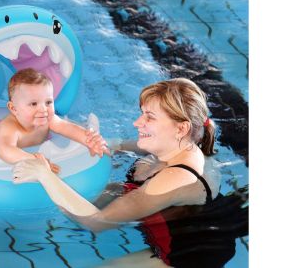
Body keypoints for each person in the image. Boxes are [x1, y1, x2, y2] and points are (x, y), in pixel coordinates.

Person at [13, 78, 248, 267]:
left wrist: (46, 175)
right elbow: (131, 144)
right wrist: (109, 143)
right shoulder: (180, 143)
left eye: (149, 117)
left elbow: (96, 223)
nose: (137, 123)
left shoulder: (176, 178)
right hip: (176, 217)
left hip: (188, 255)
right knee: (67, 204)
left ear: (181, 128)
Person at [0, 68, 110, 173]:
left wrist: (90, 141)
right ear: (13, 108)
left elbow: (67, 127)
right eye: (33, 103)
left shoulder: (49, 119)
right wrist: (34, 160)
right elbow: (5, 150)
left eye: (48, 102)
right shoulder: (9, 127)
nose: (43, 109)